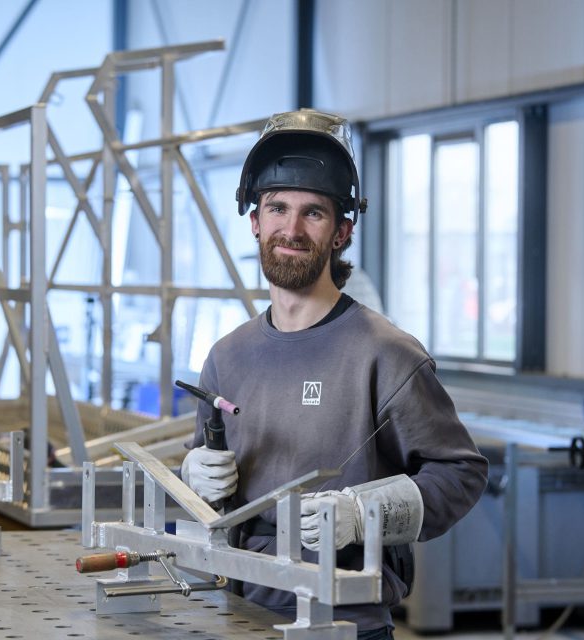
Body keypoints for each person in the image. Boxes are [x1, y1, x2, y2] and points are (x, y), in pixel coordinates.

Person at [181, 109, 488, 639]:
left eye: (314, 213)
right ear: (255, 221)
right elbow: (209, 481)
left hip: (345, 624)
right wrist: (192, 475)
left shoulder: (385, 353)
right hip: (235, 614)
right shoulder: (227, 356)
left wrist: (367, 513)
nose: (291, 229)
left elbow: (461, 474)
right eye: (277, 208)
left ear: (342, 231)